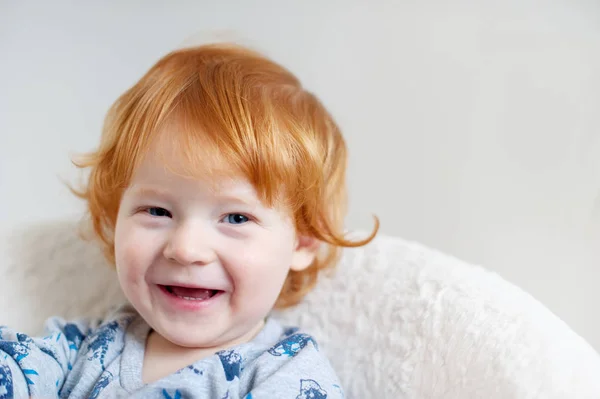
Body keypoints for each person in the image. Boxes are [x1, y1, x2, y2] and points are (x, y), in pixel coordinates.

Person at [0, 43, 377, 398]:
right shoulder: (77, 349)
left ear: (303, 241)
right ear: (116, 219)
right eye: (158, 211)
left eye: (235, 217)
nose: (186, 249)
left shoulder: (285, 376)